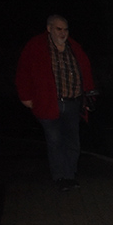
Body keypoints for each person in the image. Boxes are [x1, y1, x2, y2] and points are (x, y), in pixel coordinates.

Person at [16, 14, 96, 191]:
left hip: (73, 103)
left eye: (65, 29)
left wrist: (89, 95)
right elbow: (23, 72)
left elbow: (85, 71)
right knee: (55, 141)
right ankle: (60, 177)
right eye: (59, 29)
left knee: (72, 141)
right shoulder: (36, 47)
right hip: (49, 103)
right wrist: (26, 98)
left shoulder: (73, 47)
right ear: (49, 28)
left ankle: (69, 175)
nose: (63, 33)